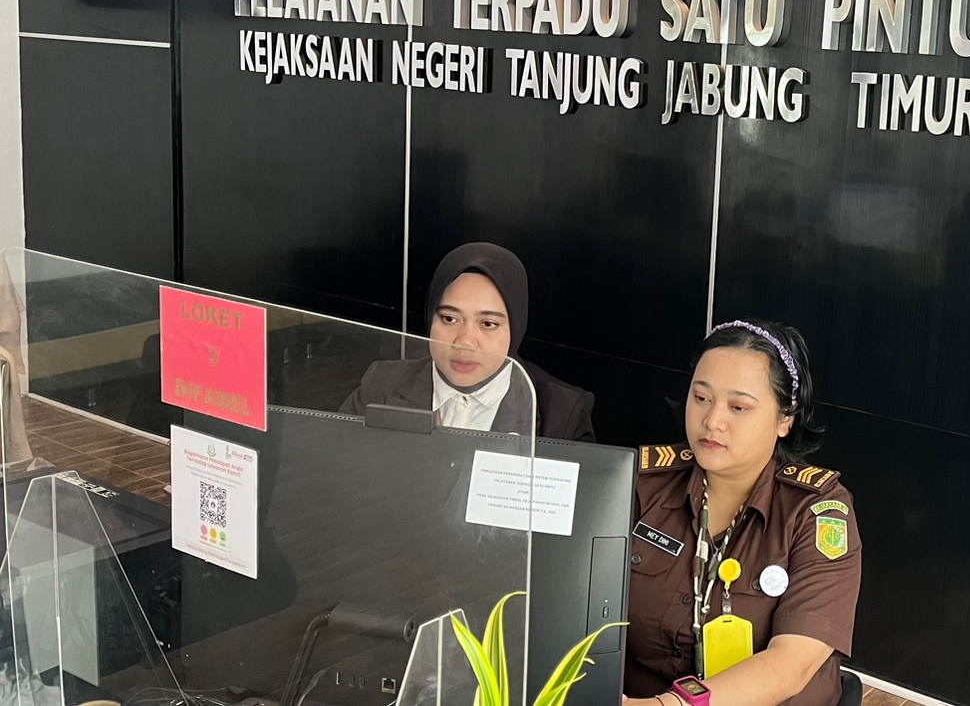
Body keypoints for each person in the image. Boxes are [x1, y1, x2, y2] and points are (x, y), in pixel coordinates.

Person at [625, 320, 861, 706]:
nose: (712, 421)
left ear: (785, 418)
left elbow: (791, 664)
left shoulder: (816, 512)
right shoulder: (641, 483)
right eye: (701, 398)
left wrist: (672, 705)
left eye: (738, 407)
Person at [339, 243, 594, 441]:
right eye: (450, 319)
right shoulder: (380, 384)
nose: (465, 342)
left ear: (516, 329)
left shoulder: (563, 413)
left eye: (488, 324)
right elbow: (331, 473)